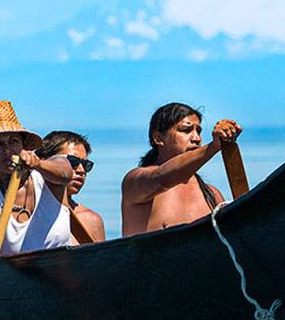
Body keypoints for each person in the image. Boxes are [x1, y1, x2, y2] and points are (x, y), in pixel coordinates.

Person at [0, 101, 73, 317]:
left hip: (64, 286)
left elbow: (66, 172)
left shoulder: (49, 174)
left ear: (24, 146)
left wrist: (38, 164)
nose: (7, 150)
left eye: (13, 141)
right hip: (21, 296)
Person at [121, 102, 241, 236]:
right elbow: (163, 178)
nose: (196, 138)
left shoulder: (212, 194)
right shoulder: (135, 182)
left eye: (198, 131)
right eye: (186, 130)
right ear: (158, 138)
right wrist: (212, 147)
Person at [36, 131, 106, 243]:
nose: (81, 170)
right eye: (72, 162)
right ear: (44, 162)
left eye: (86, 165)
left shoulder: (90, 220)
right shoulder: (23, 213)